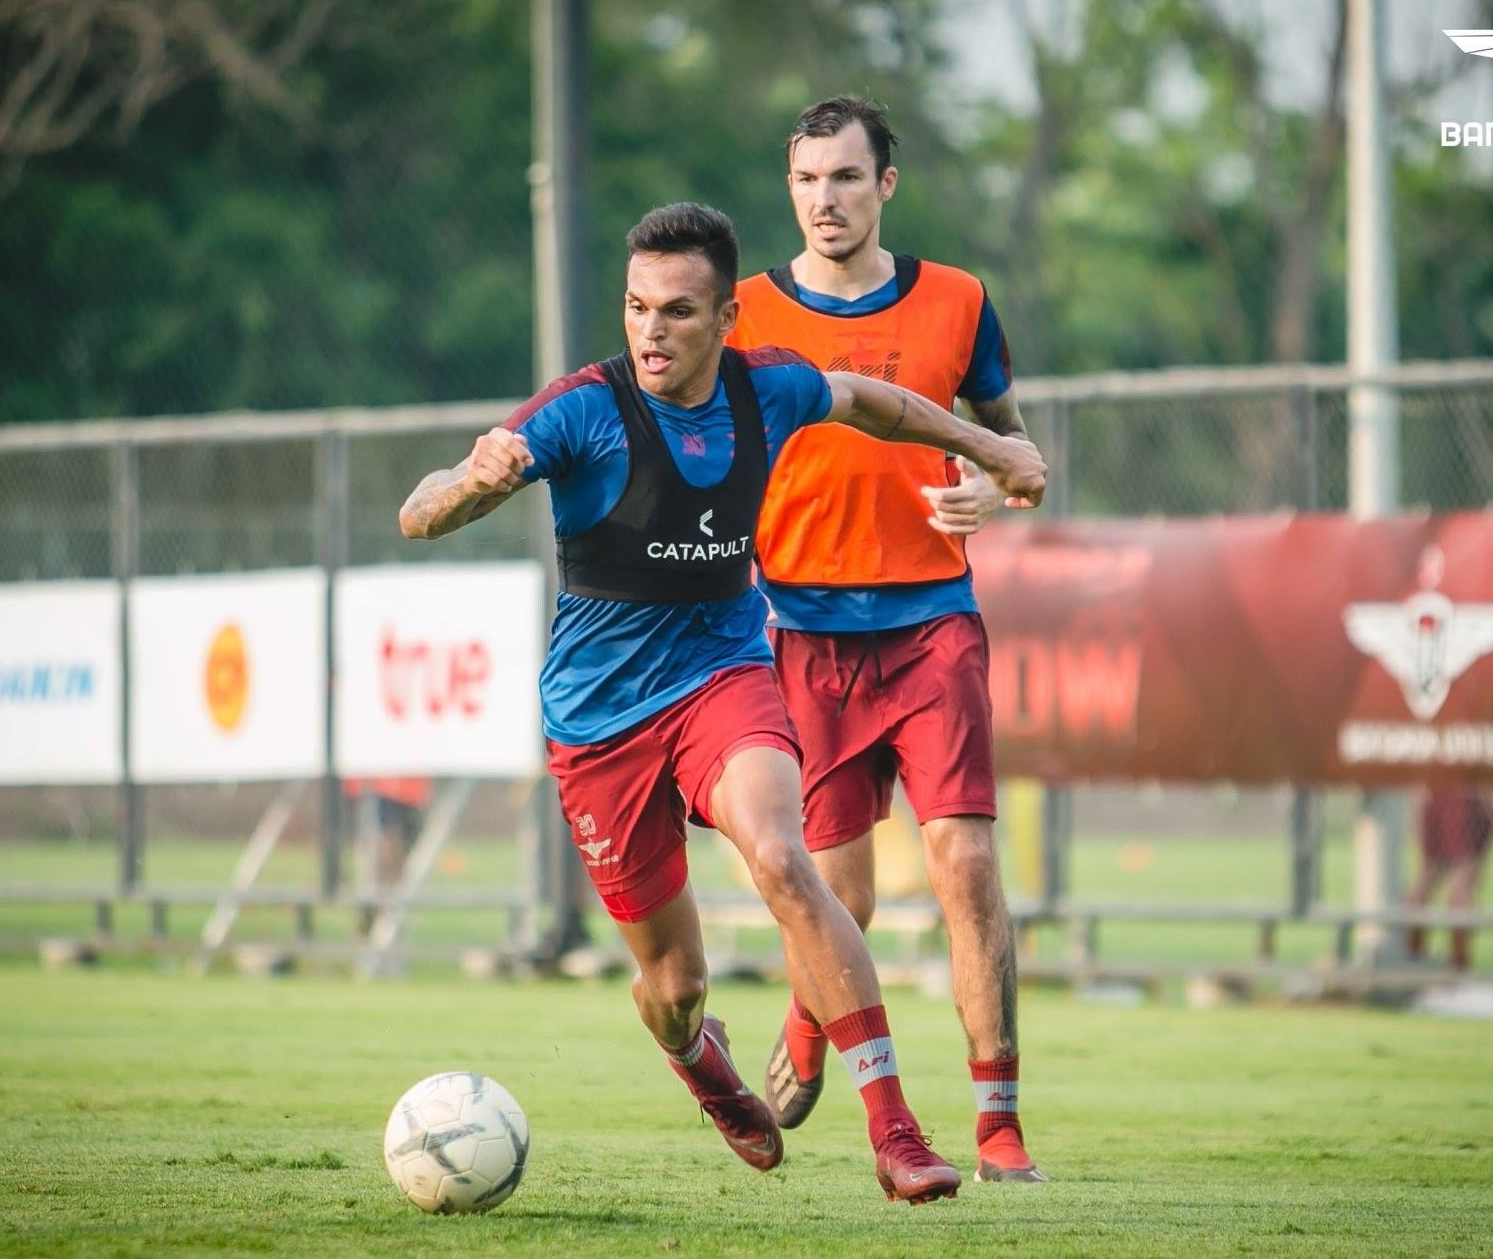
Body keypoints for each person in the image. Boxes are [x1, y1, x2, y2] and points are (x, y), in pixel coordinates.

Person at [398, 201, 1046, 1204]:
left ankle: (896, 1132)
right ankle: (699, 1059)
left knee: (785, 858)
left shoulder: (769, 391)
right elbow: (423, 507)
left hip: (724, 679)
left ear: (726, 321)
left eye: (679, 312)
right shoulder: (583, 408)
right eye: (636, 307)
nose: (651, 331)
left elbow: (879, 404)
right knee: (672, 987)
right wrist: (469, 484)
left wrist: (992, 448)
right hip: (601, 725)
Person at [727, 96, 1047, 1184]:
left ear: (886, 187)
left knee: (964, 863)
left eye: (848, 178)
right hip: (800, 634)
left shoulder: (960, 300)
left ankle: (998, 1125)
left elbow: (1014, 449)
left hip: (932, 629)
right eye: (808, 180)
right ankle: (814, 1024)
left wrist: (990, 491)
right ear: (791, 190)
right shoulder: (740, 313)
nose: (827, 199)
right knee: (838, 891)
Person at [1406, 785, 1493, 970]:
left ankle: (1450, 964)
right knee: (1427, 889)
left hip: (1455, 796)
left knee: (1450, 889)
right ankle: (1424, 960)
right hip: (1449, 794)